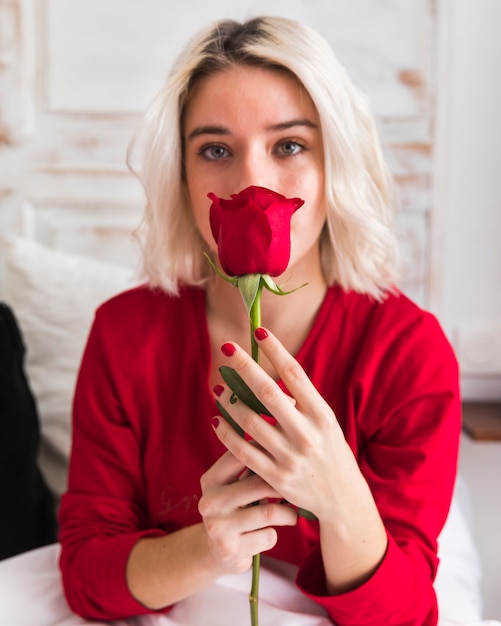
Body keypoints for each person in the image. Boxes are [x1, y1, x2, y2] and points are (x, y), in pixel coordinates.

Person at [58, 16, 461, 626]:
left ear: (337, 165)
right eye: (215, 150)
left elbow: (407, 613)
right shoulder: (124, 334)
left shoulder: (409, 350)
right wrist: (208, 545)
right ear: (184, 177)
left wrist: (339, 497)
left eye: (290, 145)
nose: (252, 182)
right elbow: (87, 579)